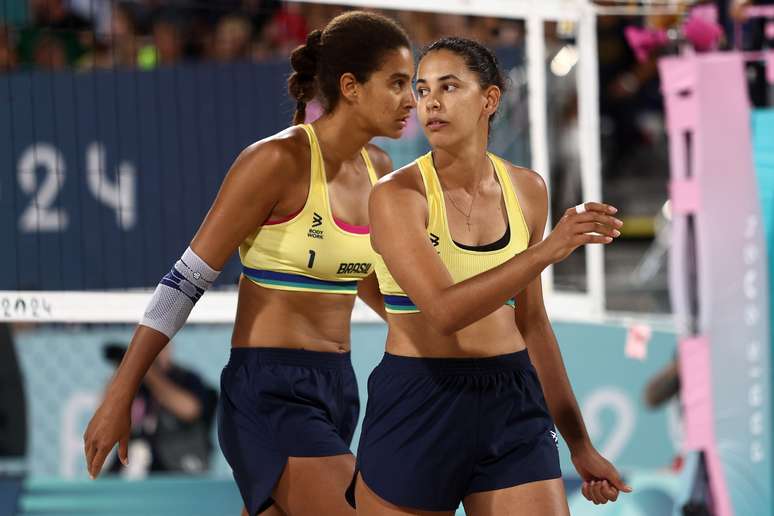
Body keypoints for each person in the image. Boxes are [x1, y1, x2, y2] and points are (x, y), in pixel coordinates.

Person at [82, 11, 416, 516]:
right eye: (397, 83)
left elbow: (365, 275)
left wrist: (442, 344)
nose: (411, 99)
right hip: (269, 393)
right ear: (350, 87)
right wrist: (120, 394)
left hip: (338, 388)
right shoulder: (276, 161)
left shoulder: (380, 170)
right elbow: (185, 280)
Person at [351, 37, 631, 515]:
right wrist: (546, 251)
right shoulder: (396, 195)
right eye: (422, 90)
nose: (431, 102)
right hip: (419, 401)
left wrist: (580, 444)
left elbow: (533, 324)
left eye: (449, 86)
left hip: (510, 398)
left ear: (490, 99)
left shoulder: (527, 190)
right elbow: (442, 312)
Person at [102, 343, 218, 475]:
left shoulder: (186, 378)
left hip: (178, 459)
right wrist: (123, 371)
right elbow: (108, 418)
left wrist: (149, 372)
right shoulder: (136, 383)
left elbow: (190, 410)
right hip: (138, 460)